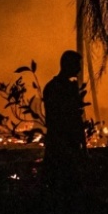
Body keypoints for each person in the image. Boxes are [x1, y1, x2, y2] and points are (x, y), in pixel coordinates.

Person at [42, 49, 88, 192]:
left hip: (59, 144)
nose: (79, 69)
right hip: (63, 145)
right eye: (77, 65)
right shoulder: (62, 88)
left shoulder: (52, 87)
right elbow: (71, 118)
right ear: (68, 65)